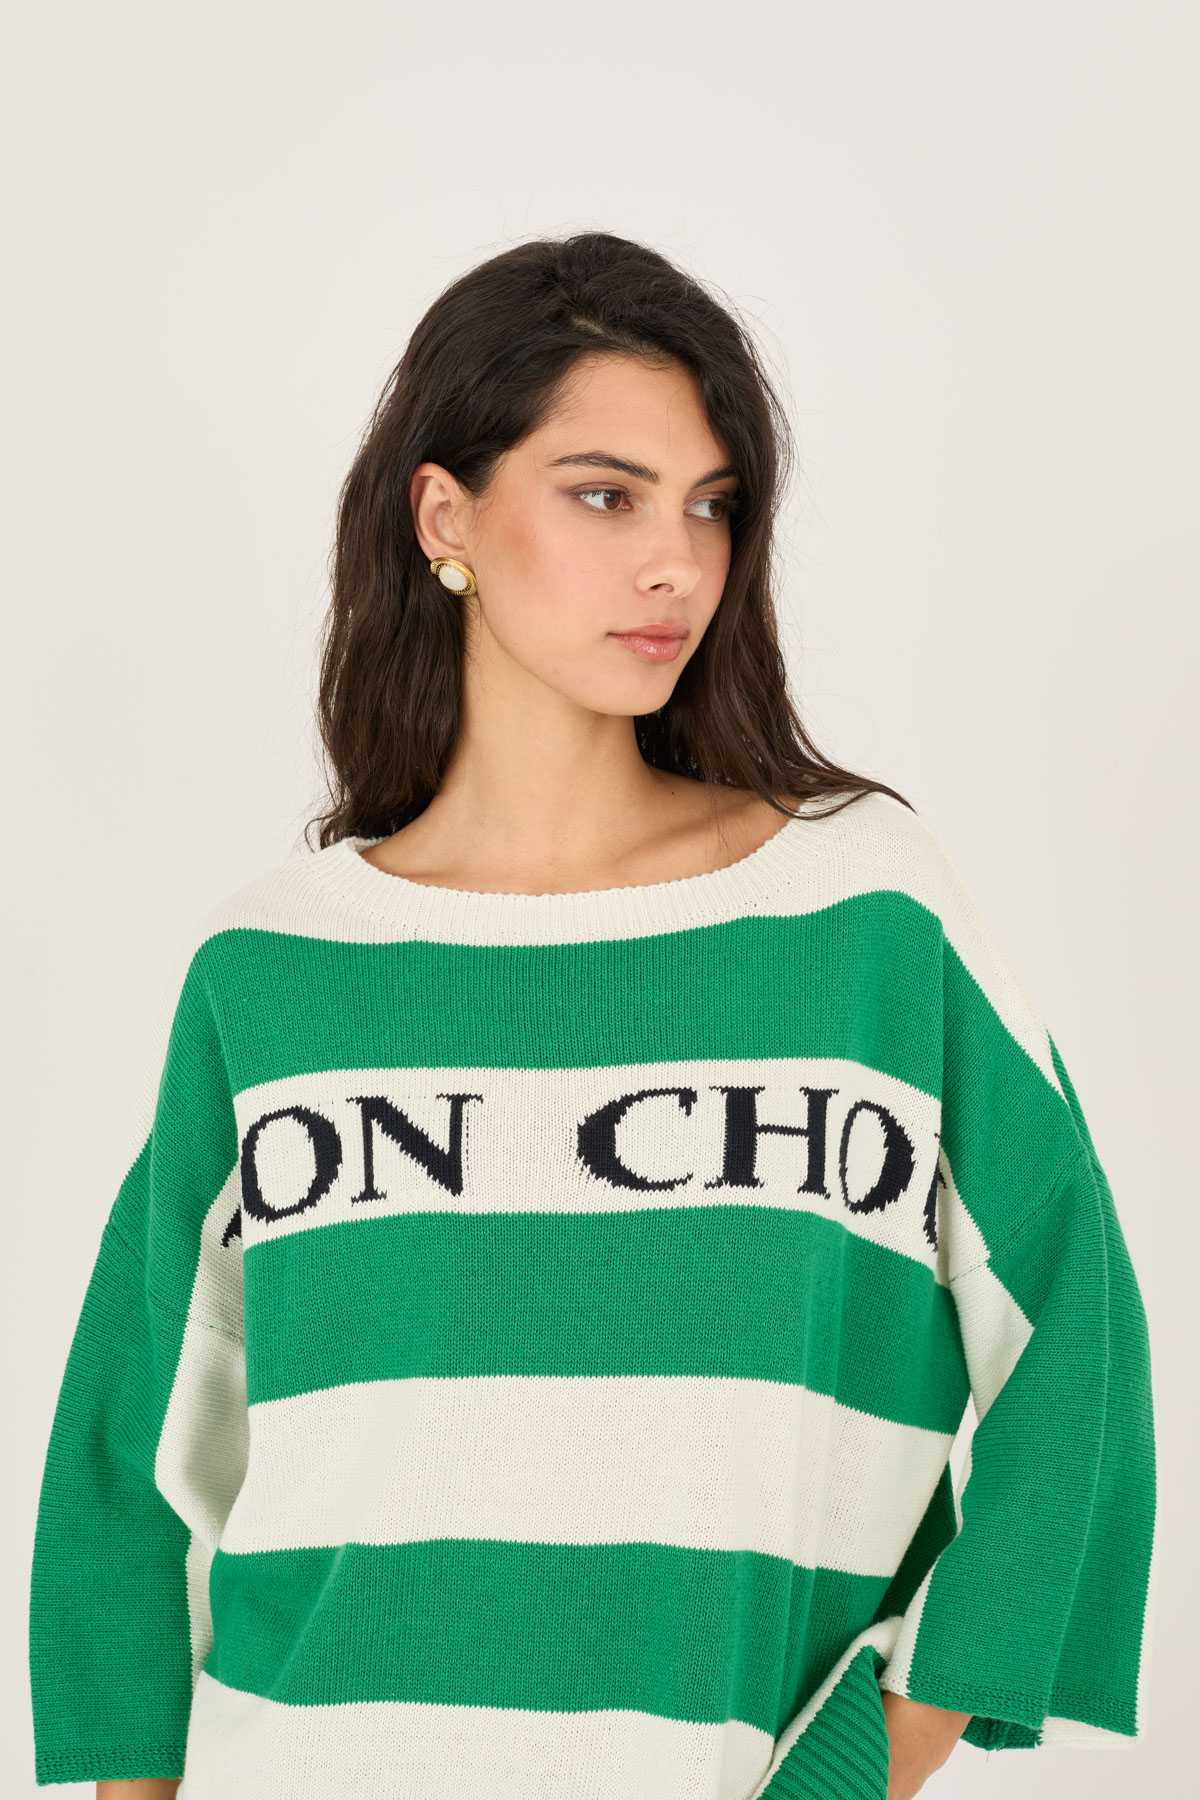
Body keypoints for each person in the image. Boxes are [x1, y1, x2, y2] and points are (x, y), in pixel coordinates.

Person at [28, 231, 1156, 1800]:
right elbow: (130, 1462)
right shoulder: (273, 967)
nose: (677, 563)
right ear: (447, 518)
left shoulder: (864, 916)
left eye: (713, 504)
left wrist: (865, 1761)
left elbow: (1075, 1348)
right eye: (607, 495)